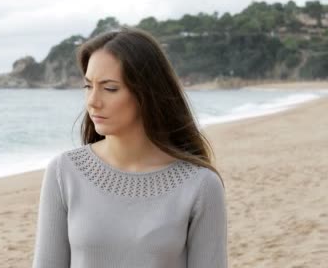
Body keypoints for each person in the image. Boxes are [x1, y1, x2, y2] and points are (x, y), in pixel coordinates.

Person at [32, 27, 228, 268]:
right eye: (88, 86)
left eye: (110, 88)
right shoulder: (64, 172)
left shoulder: (201, 185)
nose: (93, 101)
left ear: (146, 93)